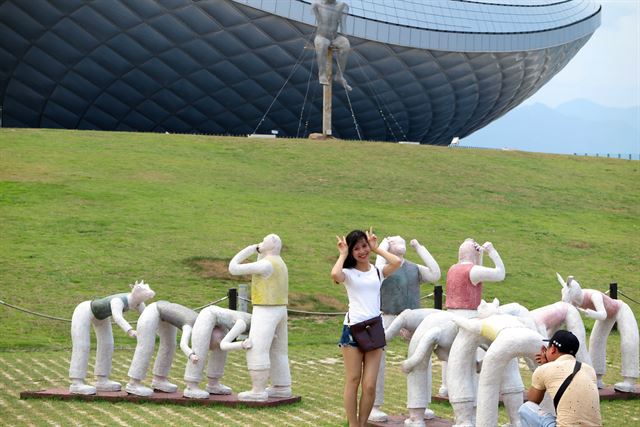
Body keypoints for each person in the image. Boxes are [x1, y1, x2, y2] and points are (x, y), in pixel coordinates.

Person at [331, 228, 401, 427]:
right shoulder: (348, 273)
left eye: (364, 246)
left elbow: (396, 262)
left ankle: (362, 424)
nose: (362, 251)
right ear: (351, 253)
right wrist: (343, 254)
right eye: (357, 248)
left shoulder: (377, 271)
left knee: (370, 385)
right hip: (353, 329)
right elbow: (335, 274)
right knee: (353, 379)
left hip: (374, 330)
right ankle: (354, 425)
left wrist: (376, 248)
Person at [369, 236, 441, 422]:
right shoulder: (383, 267)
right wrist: (382, 248)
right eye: (394, 240)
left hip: (413, 318)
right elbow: (377, 274)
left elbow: (435, 274)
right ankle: (373, 406)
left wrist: (420, 247)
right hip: (388, 316)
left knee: (422, 357)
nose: (400, 240)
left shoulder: (413, 268)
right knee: (378, 360)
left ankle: (421, 404)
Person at [228, 233, 292, 401]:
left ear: (270, 245)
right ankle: (282, 386)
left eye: (264, 241)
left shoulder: (265, 265)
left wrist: (251, 248)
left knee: (256, 348)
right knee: (279, 351)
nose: (261, 243)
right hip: (280, 309)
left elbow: (233, 267)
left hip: (266, 309)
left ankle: (258, 390)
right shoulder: (279, 262)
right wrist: (260, 251)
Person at [519, 330, 602, 427]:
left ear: (553, 349)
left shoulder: (544, 369)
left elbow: (532, 401)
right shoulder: (589, 370)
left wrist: (543, 367)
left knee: (525, 408)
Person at [311, 0, 352, 90]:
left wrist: (345, 39)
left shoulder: (343, 6)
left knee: (346, 44)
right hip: (321, 36)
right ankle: (322, 74)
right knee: (322, 45)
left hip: (335, 37)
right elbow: (319, 22)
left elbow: (343, 26)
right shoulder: (316, 5)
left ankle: (339, 75)